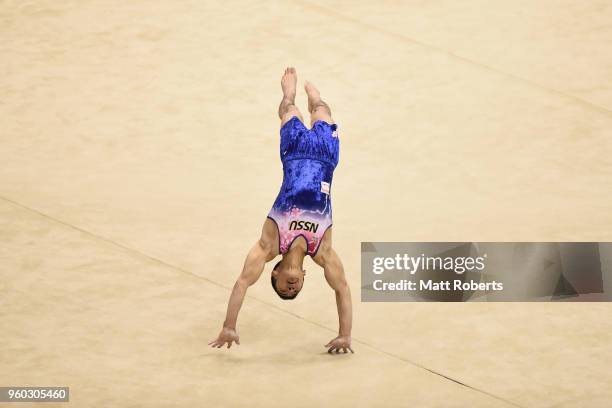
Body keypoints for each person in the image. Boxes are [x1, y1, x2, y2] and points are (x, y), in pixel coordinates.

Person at [209, 67, 353, 354]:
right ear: (302, 278)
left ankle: (289, 93)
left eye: (284, 289)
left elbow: (242, 283)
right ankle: (315, 99)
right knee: (322, 109)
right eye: (295, 290)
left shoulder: (270, 244)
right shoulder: (321, 251)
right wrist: (345, 335)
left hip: (295, 152)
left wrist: (229, 325)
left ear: (274, 274)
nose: (291, 289)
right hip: (326, 158)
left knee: (287, 108)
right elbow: (342, 289)